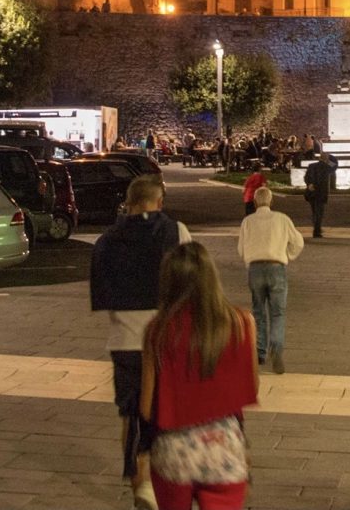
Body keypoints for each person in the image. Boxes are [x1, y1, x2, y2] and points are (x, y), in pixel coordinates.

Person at [90, 177, 191, 510]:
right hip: (167, 339)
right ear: (159, 202)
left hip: (125, 340)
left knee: (131, 413)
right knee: (169, 412)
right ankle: (169, 481)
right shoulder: (176, 232)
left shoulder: (107, 240)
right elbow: (191, 279)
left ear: (128, 202)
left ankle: (141, 484)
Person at [140, 242, 259, 510]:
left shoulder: (156, 330)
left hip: (174, 450)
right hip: (223, 447)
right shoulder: (242, 323)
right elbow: (249, 386)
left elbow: (147, 408)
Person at [237, 187, 303, 375]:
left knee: (258, 311)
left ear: (255, 202)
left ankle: (260, 351)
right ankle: (277, 348)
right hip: (276, 267)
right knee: (278, 313)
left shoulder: (248, 221)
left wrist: (250, 258)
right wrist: (287, 255)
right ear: (271, 201)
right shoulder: (282, 219)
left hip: (255, 268)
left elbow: (241, 249)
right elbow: (298, 242)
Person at [304, 152, 335, 238]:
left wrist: (309, 184)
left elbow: (306, 177)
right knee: (319, 212)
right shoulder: (327, 167)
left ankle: (316, 228)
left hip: (312, 192)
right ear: (326, 159)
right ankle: (317, 230)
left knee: (314, 211)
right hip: (321, 192)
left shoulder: (311, 166)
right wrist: (329, 159)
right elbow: (335, 165)